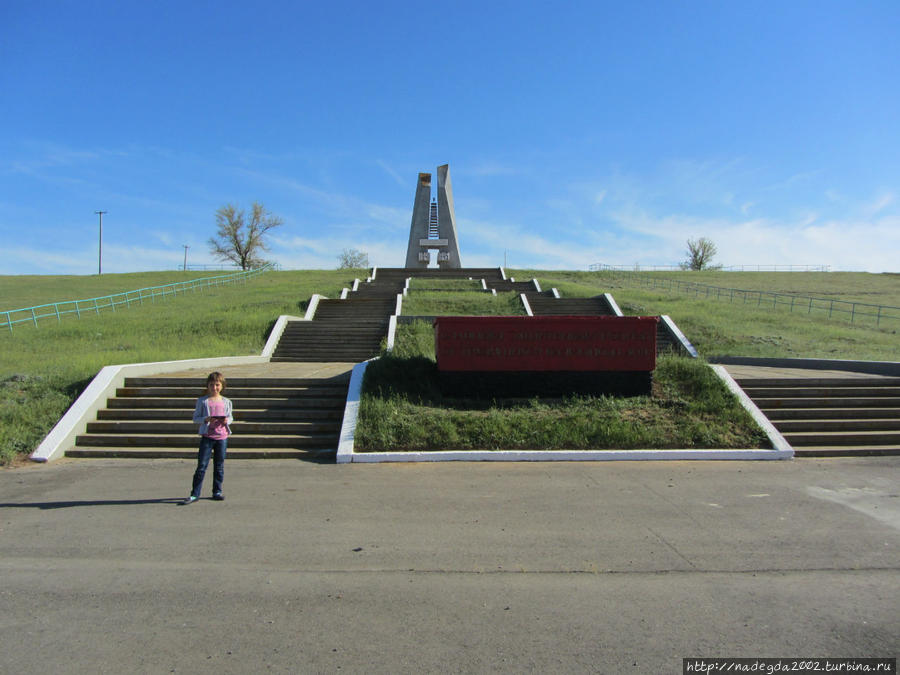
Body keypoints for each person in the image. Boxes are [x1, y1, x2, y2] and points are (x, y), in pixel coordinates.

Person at [183, 372, 233, 504]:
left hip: (222, 437)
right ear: (207, 386)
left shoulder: (226, 401)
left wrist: (226, 421)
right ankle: (195, 493)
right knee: (202, 465)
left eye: (217, 385)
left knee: (219, 465)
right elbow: (195, 418)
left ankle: (217, 491)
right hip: (207, 436)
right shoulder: (203, 401)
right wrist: (205, 419)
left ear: (222, 386)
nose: (214, 388)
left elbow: (230, 417)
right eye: (212, 385)